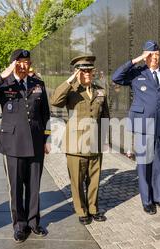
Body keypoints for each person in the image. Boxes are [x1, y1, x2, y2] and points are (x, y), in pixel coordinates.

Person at [0, 49, 51, 242]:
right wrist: (3, 75)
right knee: (16, 187)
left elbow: (45, 115)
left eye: (27, 62)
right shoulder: (4, 84)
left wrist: (45, 140)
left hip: (35, 142)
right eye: (20, 62)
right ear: (12, 64)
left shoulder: (38, 84)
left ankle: (34, 222)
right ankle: (19, 225)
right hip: (12, 144)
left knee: (34, 185)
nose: (24, 66)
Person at [112, 40, 160, 215]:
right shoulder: (136, 74)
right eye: (150, 54)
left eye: (157, 54)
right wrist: (136, 60)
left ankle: (159, 198)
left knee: (159, 165)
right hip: (143, 125)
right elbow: (116, 77)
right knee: (144, 164)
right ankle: (147, 200)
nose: (154, 57)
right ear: (145, 56)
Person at [51, 56, 110, 225]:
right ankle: (82, 211)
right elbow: (55, 101)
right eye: (83, 71)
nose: (87, 74)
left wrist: (104, 140)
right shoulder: (71, 90)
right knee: (77, 181)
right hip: (75, 145)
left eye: (89, 70)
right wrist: (70, 80)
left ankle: (93, 208)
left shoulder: (100, 90)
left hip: (95, 143)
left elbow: (105, 116)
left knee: (94, 179)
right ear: (76, 72)